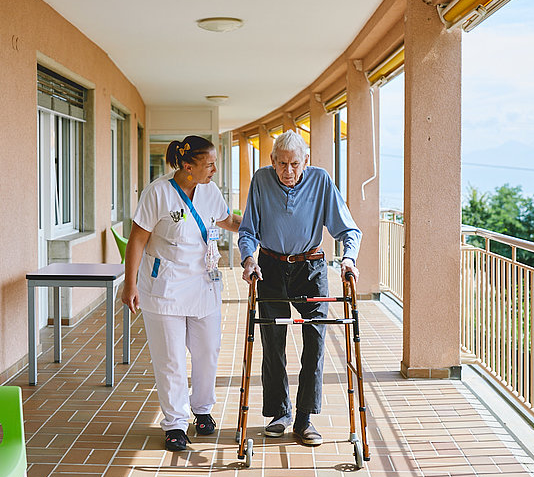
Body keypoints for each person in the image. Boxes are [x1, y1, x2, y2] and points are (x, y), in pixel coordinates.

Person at [238, 129, 361, 447]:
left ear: (306, 160)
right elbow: (249, 230)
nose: (287, 171)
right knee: (273, 342)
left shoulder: (320, 181)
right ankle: (280, 413)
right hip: (271, 267)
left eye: (294, 164)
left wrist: (348, 260)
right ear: (272, 161)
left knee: (315, 342)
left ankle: (304, 419)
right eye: (281, 164)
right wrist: (249, 259)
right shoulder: (261, 180)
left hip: (311, 268)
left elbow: (347, 228)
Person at [122, 135, 241, 451]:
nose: (214, 169)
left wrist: (256, 227)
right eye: (209, 164)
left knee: (207, 352)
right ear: (188, 167)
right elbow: (136, 239)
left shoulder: (209, 190)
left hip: (204, 282)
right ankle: (175, 423)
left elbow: (226, 220)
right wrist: (130, 283)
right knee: (170, 359)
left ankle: (202, 409)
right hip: (166, 287)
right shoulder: (158, 193)